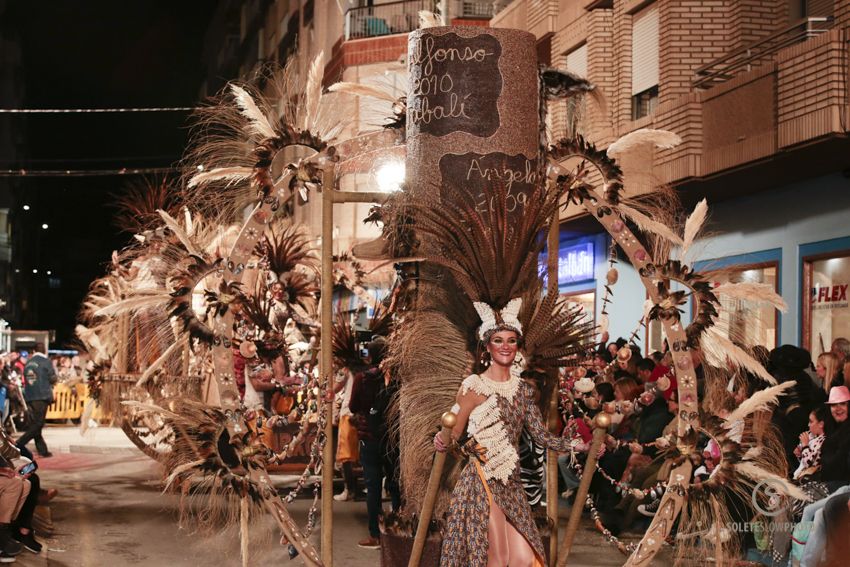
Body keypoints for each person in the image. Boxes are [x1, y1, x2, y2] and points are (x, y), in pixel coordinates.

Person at [434, 300, 575, 567]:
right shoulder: (473, 386)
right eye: (498, 340)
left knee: (523, 558)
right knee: (496, 557)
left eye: (511, 340)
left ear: (518, 347)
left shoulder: (522, 390)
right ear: (487, 347)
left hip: (511, 483)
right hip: (481, 481)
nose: (506, 346)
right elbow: (455, 432)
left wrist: (579, 446)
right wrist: (443, 439)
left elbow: (541, 436)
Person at [16, 345, 56, 458]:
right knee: (38, 424)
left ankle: (42, 450)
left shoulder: (28, 362)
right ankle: (18, 444)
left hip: (29, 396)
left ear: (34, 351)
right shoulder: (46, 361)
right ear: (44, 350)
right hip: (42, 395)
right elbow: (53, 378)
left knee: (35, 423)